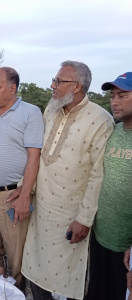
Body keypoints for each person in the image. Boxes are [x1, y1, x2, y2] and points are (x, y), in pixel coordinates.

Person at [21, 61, 114, 300]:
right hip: (41, 210)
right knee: (36, 268)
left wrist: (84, 219)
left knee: (71, 277)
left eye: (59, 81)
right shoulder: (51, 109)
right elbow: (39, 155)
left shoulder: (101, 120)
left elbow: (98, 174)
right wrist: (25, 189)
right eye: (54, 79)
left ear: (77, 86)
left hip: (71, 214)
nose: (53, 85)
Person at [0, 67, 44, 289]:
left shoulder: (30, 113)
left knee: (16, 255)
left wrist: (25, 195)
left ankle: (16, 293)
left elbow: (34, 157)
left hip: (12, 196)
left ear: (12, 89)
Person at [86, 72, 132, 300]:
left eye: (123, 95)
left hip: (126, 249)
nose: (114, 101)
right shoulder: (114, 131)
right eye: (113, 95)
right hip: (101, 236)